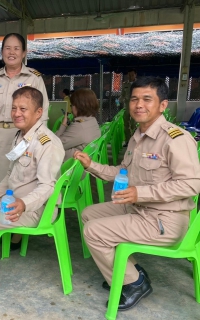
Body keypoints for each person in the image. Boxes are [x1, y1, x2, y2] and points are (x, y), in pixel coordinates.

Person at [74, 77, 200, 311]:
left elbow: (191, 185)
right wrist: (91, 165)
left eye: (146, 99)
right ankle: (129, 270)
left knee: (94, 232)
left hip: (165, 219)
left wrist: (140, 193)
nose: (138, 105)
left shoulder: (176, 139)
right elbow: (122, 172)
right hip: (139, 210)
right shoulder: (138, 137)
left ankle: (134, 283)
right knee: (89, 214)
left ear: (162, 105)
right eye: (134, 99)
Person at [0, 87, 64, 292]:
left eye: (23, 109)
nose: (16, 113)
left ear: (38, 113)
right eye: (14, 108)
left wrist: (24, 204)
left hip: (37, 210)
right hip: (17, 198)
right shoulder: (20, 137)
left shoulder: (46, 143)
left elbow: (47, 186)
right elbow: (10, 175)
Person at [0, 33, 49, 188]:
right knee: (0, 183)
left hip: (26, 138)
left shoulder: (34, 78)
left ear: (24, 53)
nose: (12, 52)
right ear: (2, 52)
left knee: (24, 182)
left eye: (16, 48)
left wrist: (34, 139)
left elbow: (43, 111)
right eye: (7, 48)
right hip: (1, 137)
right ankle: (0, 211)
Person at [55, 88, 101, 161]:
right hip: (83, 165)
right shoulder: (92, 120)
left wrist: (63, 125)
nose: (72, 108)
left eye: (72, 105)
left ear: (78, 106)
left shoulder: (79, 126)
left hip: (70, 168)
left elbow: (55, 145)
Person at [120, 69, 137, 146]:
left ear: (135, 75)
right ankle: (128, 141)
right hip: (127, 106)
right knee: (126, 124)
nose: (130, 76)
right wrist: (119, 100)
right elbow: (122, 95)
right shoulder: (125, 84)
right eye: (129, 75)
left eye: (132, 75)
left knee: (134, 124)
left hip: (136, 107)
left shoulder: (138, 84)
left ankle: (135, 140)